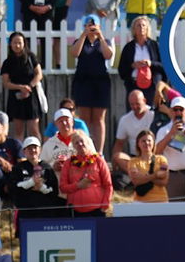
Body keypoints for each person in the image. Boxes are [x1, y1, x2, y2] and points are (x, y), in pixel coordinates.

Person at [69, 16, 114, 155]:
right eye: (89, 25)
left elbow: (108, 55)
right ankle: (86, 149)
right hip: (83, 82)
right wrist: (84, 35)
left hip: (100, 82)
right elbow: (74, 53)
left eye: (94, 26)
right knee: (85, 117)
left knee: (99, 119)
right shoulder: (80, 41)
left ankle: (99, 151)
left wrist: (100, 36)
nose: (92, 28)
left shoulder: (104, 41)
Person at [0, 30, 45, 141]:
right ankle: (19, 156)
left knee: (34, 129)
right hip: (16, 97)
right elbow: (6, 83)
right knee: (18, 130)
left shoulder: (31, 57)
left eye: (20, 42)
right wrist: (20, 88)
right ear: (10, 44)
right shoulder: (7, 62)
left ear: (24, 43)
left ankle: (37, 155)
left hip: (31, 96)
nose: (17, 45)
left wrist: (29, 86)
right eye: (14, 42)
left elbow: (39, 74)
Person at [58, 130, 112, 216]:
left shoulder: (98, 160)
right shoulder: (68, 163)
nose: (80, 144)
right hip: (75, 211)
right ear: (73, 147)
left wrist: (105, 205)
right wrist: (78, 185)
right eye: (76, 143)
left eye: (81, 141)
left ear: (87, 142)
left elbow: (108, 185)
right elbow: (63, 187)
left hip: (97, 210)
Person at [125, 128, 169, 203]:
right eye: (143, 141)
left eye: (149, 140)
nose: (146, 143)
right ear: (138, 144)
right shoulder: (133, 162)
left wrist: (143, 176)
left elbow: (163, 181)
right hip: (140, 201)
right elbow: (136, 180)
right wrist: (156, 175)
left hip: (161, 200)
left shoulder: (162, 159)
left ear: (153, 143)